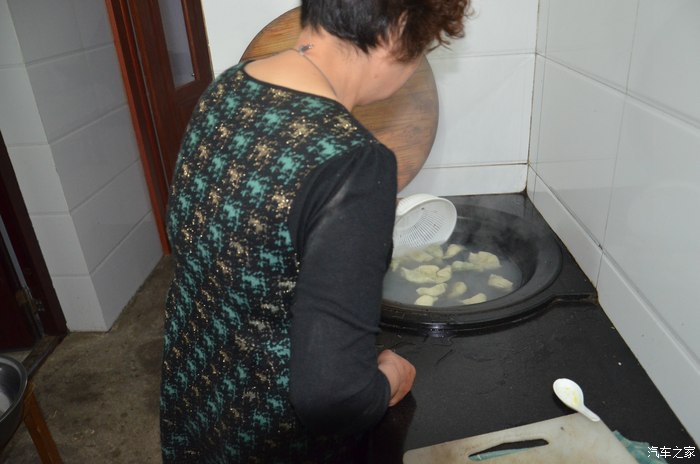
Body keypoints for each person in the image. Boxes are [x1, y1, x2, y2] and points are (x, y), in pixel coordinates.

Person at [160, 0, 471, 462]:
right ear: (397, 30)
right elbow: (333, 396)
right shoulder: (355, 165)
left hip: (198, 401)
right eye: (422, 47)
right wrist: (388, 376)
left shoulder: (228, 87)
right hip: (273, 437)